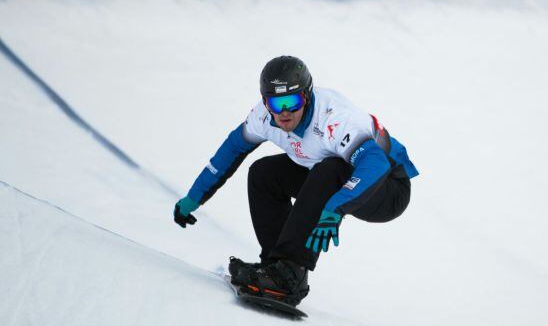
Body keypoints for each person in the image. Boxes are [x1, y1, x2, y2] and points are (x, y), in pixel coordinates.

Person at [173, 55, 418, 307]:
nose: (285, 112)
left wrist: (336, 207)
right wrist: (194, 197)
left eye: (292, 101)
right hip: (329, 172)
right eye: (276, 104)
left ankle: (291, 275)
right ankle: (275, 267)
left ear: (307, 96)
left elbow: (376, 162)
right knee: (264, 173)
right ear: (265, 102)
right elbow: (231, 149)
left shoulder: (334, 118)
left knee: (330, 169)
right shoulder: (263, 117)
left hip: (387, 187)